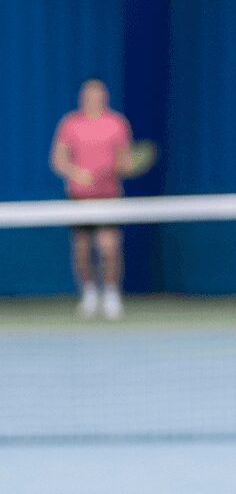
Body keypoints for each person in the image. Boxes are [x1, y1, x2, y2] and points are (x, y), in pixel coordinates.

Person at [49, 79, 136, 319]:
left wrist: (124, 166)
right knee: (81, 249)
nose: (93, 98)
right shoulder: (69, 124)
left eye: (98, 94)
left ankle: (110, 294)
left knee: (108, 246)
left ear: (104, 96)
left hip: (108, 196)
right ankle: (88, 294)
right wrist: (77, 173)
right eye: (89, 94)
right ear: (82, 96)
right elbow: (57, 160)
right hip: (78, 197)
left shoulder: (117, 123)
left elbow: (125, 162)